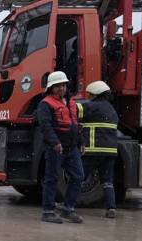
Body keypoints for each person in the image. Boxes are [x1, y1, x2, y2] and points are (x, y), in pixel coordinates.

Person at [37, 71, 84, 224]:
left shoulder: (71, 102)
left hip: (71, 148)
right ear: (51, 88)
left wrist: (81, 142)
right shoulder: (46, 104)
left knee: (78, 176)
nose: (61, 88)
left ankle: (68, 209)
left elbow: (75, 124)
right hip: (55, 148)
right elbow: (45, 126)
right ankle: (48, 211)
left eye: (63, 85)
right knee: (52, 178)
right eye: (58, 86)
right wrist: (55, 142)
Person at [80, 81, 119, 218]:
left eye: (89, 94)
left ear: (95, 94)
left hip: (93, 150)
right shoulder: (112, 110)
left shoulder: (91, 106)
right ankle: (111, 208)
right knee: (107, 181)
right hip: (110, 152)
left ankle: (68, 204)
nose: (88, 97)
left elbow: (74, 111)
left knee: (78, 177)